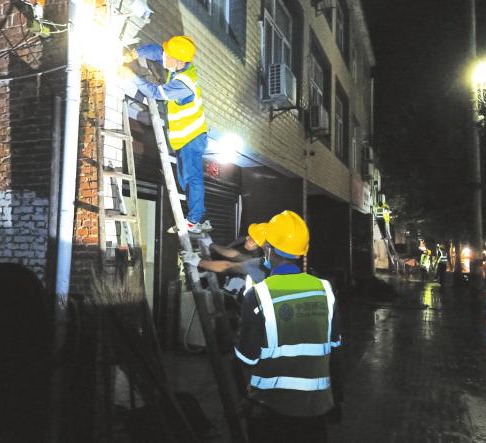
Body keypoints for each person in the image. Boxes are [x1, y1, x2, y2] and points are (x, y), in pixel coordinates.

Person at [233, 210, 342, 443]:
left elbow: (247, 359)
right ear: (301, 252)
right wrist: (337, 399)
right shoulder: (325, 289)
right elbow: (335, 349)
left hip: (271, 408)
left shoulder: (259, 294)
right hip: (317, 408)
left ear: (269, 249)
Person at [120, 35, 210, 233]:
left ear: (179, 62)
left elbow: (154, 93)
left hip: (192, 135)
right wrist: (134, 54)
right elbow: (156, 51)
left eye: (168, 57)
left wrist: (131, 76)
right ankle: (201, 215)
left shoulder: (183, 84)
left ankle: (194, 220)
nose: (164, 58)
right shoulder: (178, 64)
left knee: (191, 177)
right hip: (184, 137)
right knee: (185, 179)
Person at [181, 223, 269, 293]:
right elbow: (237, 244)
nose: (247, 237)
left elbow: (229, 262)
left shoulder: (255, 261)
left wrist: (199, 260)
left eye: (251, 238)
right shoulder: (250, 243)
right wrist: (224, 246)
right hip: (219, 265)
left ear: (257, 245)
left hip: (227, 281)